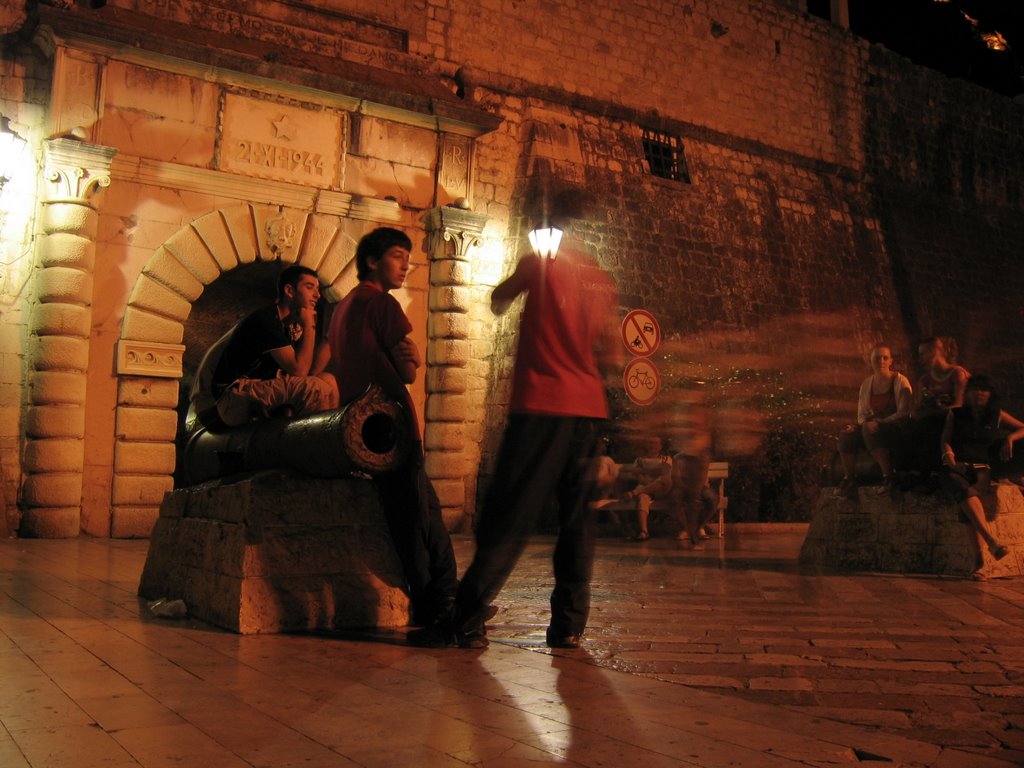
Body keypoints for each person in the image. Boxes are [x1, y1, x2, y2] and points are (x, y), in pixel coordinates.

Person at [411, 189, 621, 650]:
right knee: (577, 523)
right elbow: (613, 354)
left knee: (509, 515)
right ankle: (568, 625)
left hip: (542, 407)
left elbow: (499, 299)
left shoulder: (542, 259)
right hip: (586, 412)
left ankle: (465, 619)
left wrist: (521, 285)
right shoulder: (600, 277)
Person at [328, 227, 458, 627]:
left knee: (415, 516)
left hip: (363, 427)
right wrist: (414, 360)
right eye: (399, 256)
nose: (407, 264)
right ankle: (440, 606)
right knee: (419, 518)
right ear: (372, 260)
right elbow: (407, 370)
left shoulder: (343, 307)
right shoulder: (383, 305)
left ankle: (441, 601)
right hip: (394, 423)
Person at [192, 265, 338, 432]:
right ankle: (309, 446)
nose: (317, 295)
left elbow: (310, 373)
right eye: (309, 287)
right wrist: (310, 326)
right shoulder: (266, 320)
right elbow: (300, 371)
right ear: (289, 291)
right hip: (227, 399)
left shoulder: (293, 326)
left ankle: (326, 440)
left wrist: (330, 337)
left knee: (328, 381)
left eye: (318, 289)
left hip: (255, 389)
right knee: (314, 388)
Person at [939, 374, 1022, 572]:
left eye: (983, 390)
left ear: (990, 394)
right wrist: (949, 457)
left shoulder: (996, 415)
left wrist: (1010, 437)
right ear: (967, 393)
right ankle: (991, 542)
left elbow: (1023, 428)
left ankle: (980, 562)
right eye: (975, 389)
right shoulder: (956, 414)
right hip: (956, 466)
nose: (979, 393)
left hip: (981, 469)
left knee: (968, 500)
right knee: (961, 488)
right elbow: (945, 440)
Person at [834, 344, 912, 498]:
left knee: (869, 429)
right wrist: (858, 426)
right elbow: (862, 414)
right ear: (871, 361)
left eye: (885, 358)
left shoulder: (900, 381)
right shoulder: (866, 385)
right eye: (877, 358)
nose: (881, 361)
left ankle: (888, 477)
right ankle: (849, 478)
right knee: (847, 434)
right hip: (872, 425)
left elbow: (904, 412)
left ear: (891, 361)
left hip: (895, 428)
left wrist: (880, 422)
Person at [903, 336, 970, 475]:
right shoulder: (925, 379)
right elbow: (917, 409)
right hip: (934, 417)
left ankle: (933, 471)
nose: (921, 359)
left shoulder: (957, 374)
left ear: (935, 352)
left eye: (923, 354)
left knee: (931, 424)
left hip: (954, 420)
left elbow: (959, 406)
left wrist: (934, 410)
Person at [621, 436, 673, 541]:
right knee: (642, 498)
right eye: (650, 443)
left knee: (665, 480)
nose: (652, 445)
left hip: (662, 489)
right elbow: (638, 475)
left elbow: (664, 472)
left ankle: (634, 492)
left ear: (660, 446)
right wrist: (651, 481)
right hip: (645, 487)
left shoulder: (667, 458)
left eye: (655, 443)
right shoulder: (639, 460)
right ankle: (644, 531)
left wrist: (644, 471)